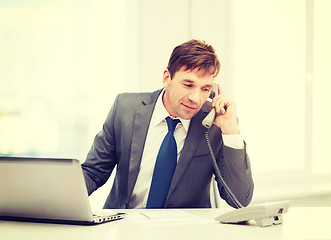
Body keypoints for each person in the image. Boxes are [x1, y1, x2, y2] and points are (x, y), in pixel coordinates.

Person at [82, 39, 254, 209]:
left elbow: (239, 199)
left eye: (205, 89)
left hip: (183, 230)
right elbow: (93, 172)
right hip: (125, 224)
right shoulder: (125, 108)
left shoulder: (216, 124)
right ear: (166, 78)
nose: (195, 98)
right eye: (188, 84)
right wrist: (60, 203)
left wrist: (231, 132)